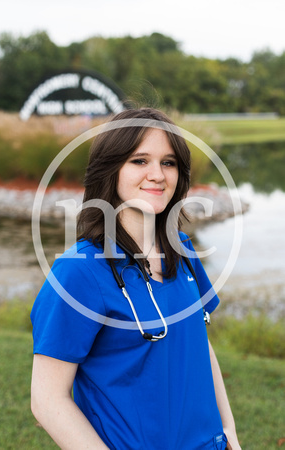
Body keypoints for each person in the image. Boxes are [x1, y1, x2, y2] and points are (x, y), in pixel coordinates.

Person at [30, 108, 241, 450]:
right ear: (110, 169)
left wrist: (228, 429)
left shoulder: (182, 251)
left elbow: (199, 344)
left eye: (168, 162)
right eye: (139, 161)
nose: (157, 175)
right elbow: (46, 400)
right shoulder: (78, 272)